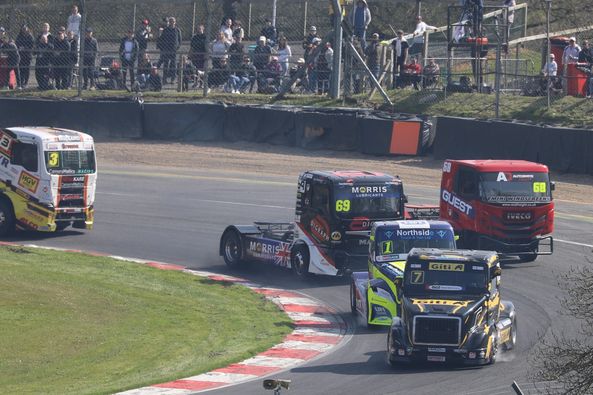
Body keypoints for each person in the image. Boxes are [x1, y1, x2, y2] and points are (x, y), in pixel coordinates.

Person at [158, 17, 182, 84]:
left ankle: (173, 79)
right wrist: (163, 48)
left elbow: (180, 40)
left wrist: (177, 47)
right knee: (166, 64)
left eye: (173, 22)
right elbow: (161, 39)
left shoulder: (177, 30)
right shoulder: (166, 30)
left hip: (173, 50)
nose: (172, 23)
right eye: (170, 21)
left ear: (175, 22)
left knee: (173, 65)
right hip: (166, 50)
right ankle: (164, 79)